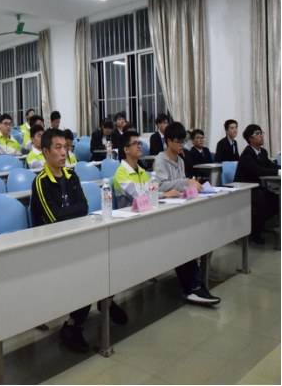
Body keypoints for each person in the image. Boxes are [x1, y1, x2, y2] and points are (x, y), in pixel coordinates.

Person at [31, 129, 127, 353]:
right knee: (88, 266)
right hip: (51, 245)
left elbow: (83, 207)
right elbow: (54, 219)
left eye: (65, 147)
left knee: (107, 253)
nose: (64, 153)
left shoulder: (71, 176)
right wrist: (71, 211)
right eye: (58, 148)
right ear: (45, 152)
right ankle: (73, 325)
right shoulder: (41, 182)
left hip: (75, 237)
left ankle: (106, 300)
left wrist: (69, 211)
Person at [153, 122, 221, 305]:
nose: (182, 145)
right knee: (184, 241)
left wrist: (191, 185)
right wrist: (185, 182)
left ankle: (196, 283)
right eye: (178, 141)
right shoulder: (161, 161)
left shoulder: (181, 160)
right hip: (166, 212)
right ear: (168, 141)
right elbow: (160, 186)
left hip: (180, 208)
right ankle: (194, 287)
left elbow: (182, 185)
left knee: (197, 234)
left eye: (183, 141)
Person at [234, 125, 281, 245]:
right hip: (245, 189)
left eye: (261, 133)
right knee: (264, 205)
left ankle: (256, 225)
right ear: (250, 138)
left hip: (257, 187)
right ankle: (255, 233)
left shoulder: (263, 152)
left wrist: (279, 169)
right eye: (258, 134)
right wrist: (278, 172)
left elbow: (271, 165)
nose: (261, 136)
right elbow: (258, 170)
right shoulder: (247, 154)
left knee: (277, 201)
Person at [114, 131, 181, 209]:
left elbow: (152, 192)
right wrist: (164, 194)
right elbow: (140, 196)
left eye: (139, 143)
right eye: (135, 143)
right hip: (130, 215)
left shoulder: (142, 171)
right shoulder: (120, 174)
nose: (139, 146)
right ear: (126, 149)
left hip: (146, 211)